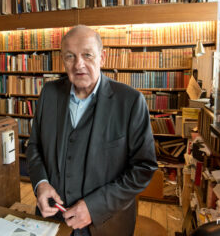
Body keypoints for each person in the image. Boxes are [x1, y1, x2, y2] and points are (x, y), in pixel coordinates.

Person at [26, 25, 158, 236]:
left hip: (105, 224)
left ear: (102, 58)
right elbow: (34, 147)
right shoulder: (49, 94)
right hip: (53, 219)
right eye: (70, 56)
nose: (79, 64)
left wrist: (95, 207)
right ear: (63, 60)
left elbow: (144, 168)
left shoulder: (131, 101)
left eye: (87, 55)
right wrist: (40, 184)